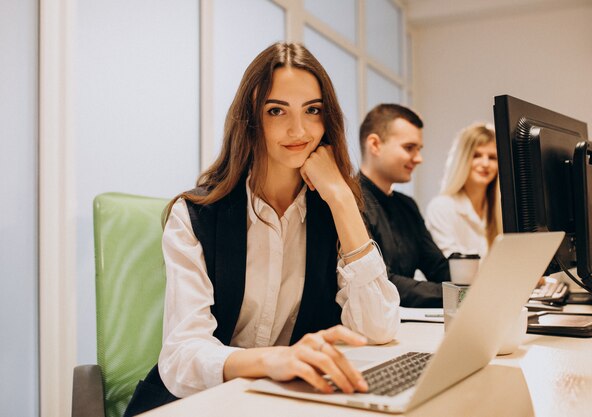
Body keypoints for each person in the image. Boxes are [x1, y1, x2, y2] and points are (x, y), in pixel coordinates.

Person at [123, 43, 400, 417]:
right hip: (194, 404)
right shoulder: (195, 215)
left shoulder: (332, 211)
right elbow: (182, 355)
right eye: (276, 110)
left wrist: (340, 197)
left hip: (282, 403)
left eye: (313, 111)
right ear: (250, 119)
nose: (298, 129)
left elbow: (378, 329)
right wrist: (271, 361)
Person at [358, 104, 450, 308]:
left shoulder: (407, 206)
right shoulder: (349, 202)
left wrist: (478, 287)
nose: (418, 159)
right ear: (374, 144)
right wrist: (459, 296)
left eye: (419, 149)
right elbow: (383, 282)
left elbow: (437, 266)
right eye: (409, 148)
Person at [425, 122, 502, 259]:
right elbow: (453, 268)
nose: (485, 164)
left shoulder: (499, 211)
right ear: (462, 159)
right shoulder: (441, 207)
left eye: (492, 158)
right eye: (476, 155)